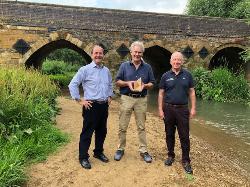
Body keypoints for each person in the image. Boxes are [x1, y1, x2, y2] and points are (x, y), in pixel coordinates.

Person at [68, 44, 113, 169]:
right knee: (87, 132)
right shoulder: (85, 70)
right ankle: (83, 157)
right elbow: (73, 84)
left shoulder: (106, 71)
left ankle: (98, 152)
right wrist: (79, 100)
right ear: (92, 54)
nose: (98, 55)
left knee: (102, 131)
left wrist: (110, 96)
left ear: (103, 55)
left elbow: (110, 85)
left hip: (103, 106)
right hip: (91, 106)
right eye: (96, 53)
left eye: (100, 53)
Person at [114, 41, 155, 163]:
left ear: (142, 53)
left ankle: (143, 150)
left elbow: (152, 83)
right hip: (126, 97)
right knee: (122, 126)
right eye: (135, 52)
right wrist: (127, 83)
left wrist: (145, 85)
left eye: (139, 52)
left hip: (141, 99)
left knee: (141, 127)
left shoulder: (147, 67)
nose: (137, 54)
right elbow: (117, 81)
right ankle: (120, 149)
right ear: (131, 52)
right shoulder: (124, 66)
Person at [158, 51, 196, 174]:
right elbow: (161, 94)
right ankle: (170, 155)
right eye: (174, 59)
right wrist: (160, 109)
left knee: (184, 136)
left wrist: (193, 108)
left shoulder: (188, 75)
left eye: (179, 60)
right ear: (170, 61)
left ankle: (186, 160)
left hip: (183, 109)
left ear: (182, 61)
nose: (176, 62)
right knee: (169, 134)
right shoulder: (165, 76)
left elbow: (192, 92)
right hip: (168, 109)